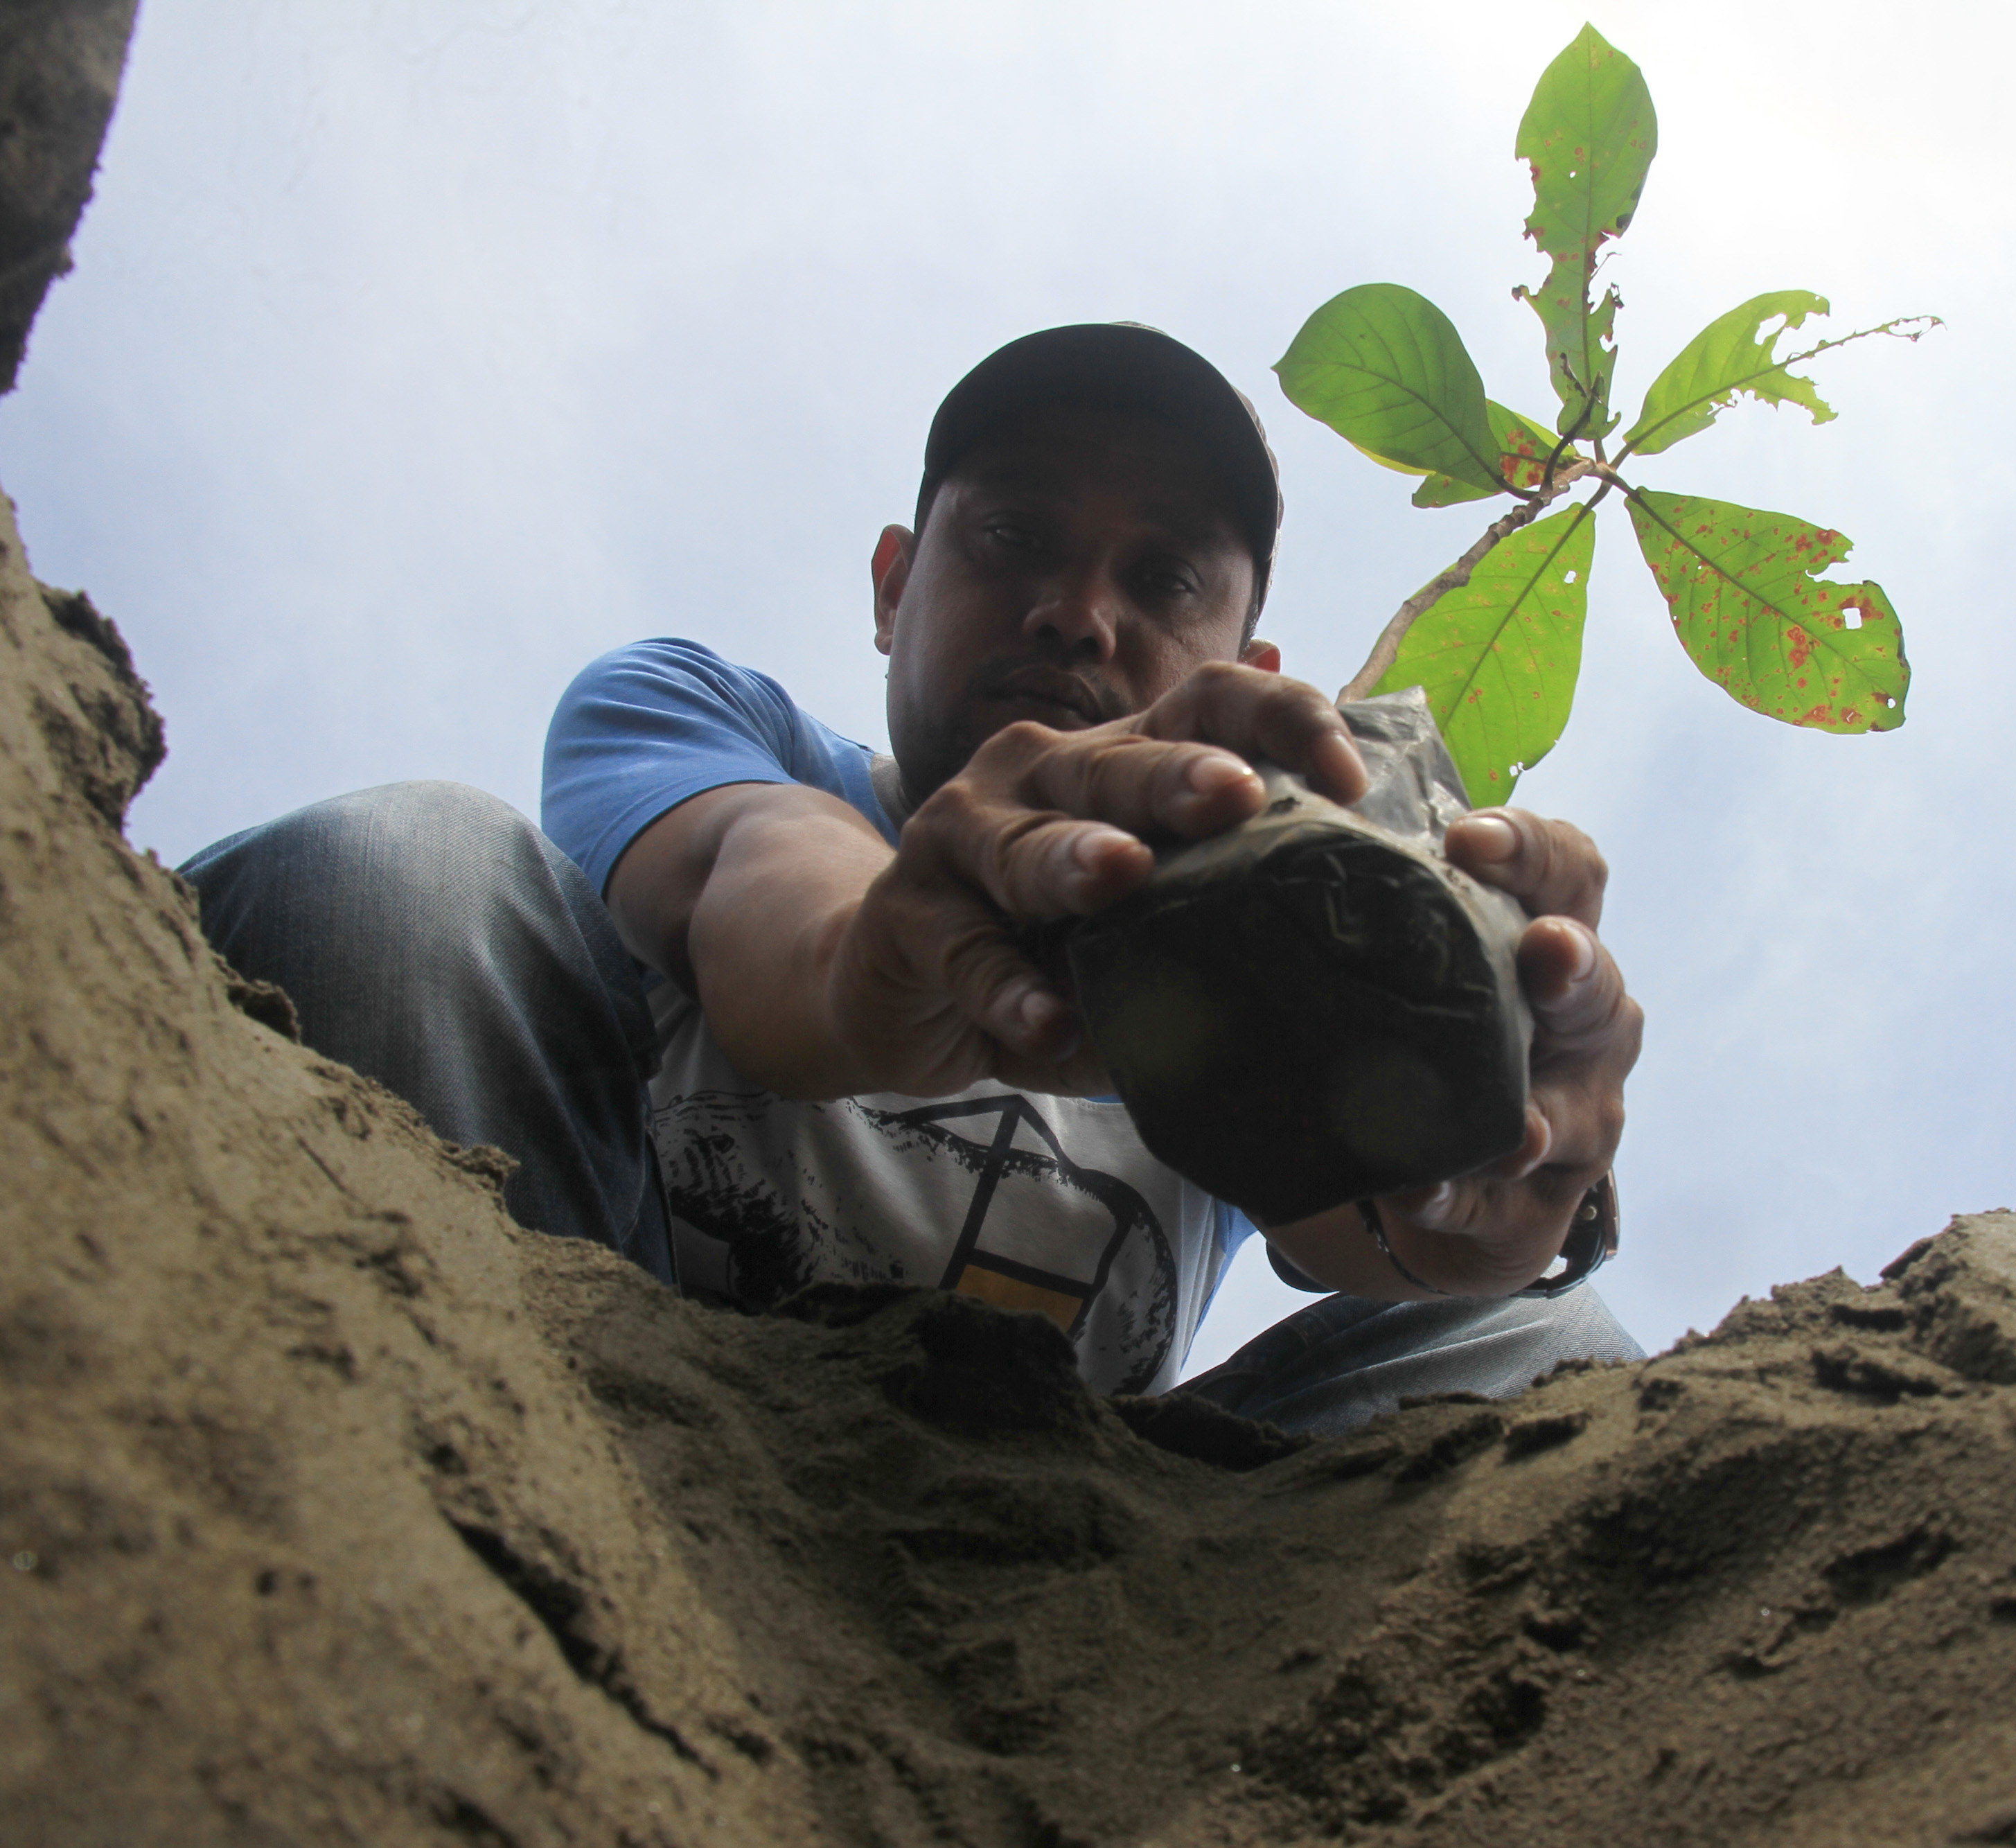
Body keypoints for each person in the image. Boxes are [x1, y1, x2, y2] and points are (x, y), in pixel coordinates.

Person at [182, 324, 1645, 1433]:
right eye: (1015, 539)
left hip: (1081, 1529)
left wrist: (1495, 1184)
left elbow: (1359, 1218)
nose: (1078, 615)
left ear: (1248, 670)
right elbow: (770, 894)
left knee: (1559, 1344)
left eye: (1161, 581)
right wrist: (893, 949)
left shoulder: (1263, 946)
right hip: (593, 1378)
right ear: (893, 582)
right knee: (395, 867)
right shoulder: (703, 716)